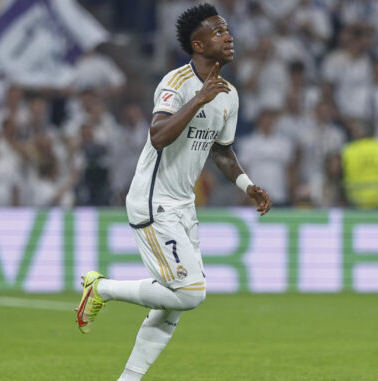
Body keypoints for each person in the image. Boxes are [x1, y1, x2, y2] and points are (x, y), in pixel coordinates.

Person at [75, 4, 272, 381]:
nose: (228, 37)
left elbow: (221, 150)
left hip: (183, 205)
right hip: (154, 200)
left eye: (228, 30)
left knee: (175, 305)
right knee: (191, 292)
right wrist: (199, 99)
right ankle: (101, 287)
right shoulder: (176, 83)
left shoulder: (228, 95)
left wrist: (248, 186)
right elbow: (158, 135)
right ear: (198, 43)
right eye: (218, 32)